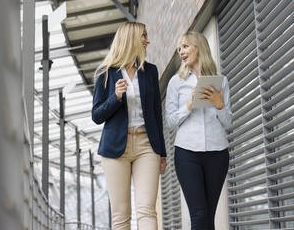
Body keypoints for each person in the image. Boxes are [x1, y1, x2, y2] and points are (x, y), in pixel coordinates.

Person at [92, 22, 167, 230]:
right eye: (144, 36)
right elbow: (96, 116)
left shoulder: (150, 71)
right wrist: (115, 97)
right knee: (121, 216)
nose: (147, 40)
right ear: (131, 39)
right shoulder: (105, 73)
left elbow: (156, 113)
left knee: (147, 210)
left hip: (146, 145)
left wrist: (162, 152)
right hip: (115, 148)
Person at [165, 31, 232, 230]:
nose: (181, 52)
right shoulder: (176, 82)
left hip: (218, 152)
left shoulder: (221, 81)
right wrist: (189, 104)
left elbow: (228, 121)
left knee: (209, 216)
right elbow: (170, 121)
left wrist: (220, 104)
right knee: (199, 214)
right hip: (187, 153)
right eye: (179, 49)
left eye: (185, 46)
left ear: (198, 47)